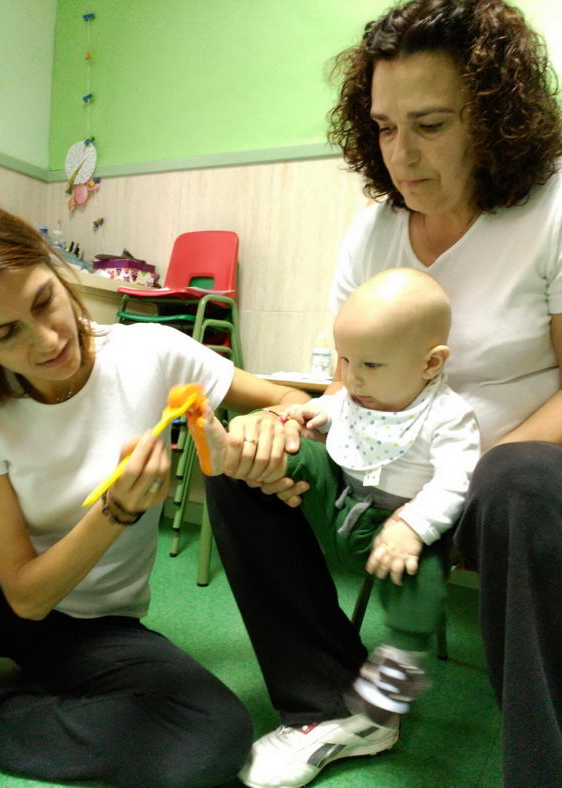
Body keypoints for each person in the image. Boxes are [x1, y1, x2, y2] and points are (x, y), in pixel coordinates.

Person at [204, 1, 562, 786]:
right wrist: (286, 423)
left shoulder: (551, 214)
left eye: (430, 125)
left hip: (503, 483)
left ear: (494, 117)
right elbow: (348, 388)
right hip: (379, 481)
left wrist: (464, 478)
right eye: (386, 127)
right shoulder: (373, 232)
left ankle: (542, 761)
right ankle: (337, 707)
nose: (402, 154)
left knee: (520, 483)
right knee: (241, 463)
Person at [0, 199, 310, 788]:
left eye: (44, 300)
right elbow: (23, 595)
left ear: (57, 270)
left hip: (92, 623)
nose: (49, 339)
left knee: (211, 732)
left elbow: (290, 401)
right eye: (6, 334)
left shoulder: (151, 353)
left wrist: (269, 426)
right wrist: (118, 510)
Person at [193, 268, 480, 731]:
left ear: (430, 364)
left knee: (422, 577)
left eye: (369, 365)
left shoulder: (450, 417)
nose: (353, 378)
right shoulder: (355, 390)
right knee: (297, 454)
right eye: (346, 361)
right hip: (341, 496)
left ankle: (400, 665)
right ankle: (231, 452)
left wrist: (414, 526)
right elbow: (329, 407)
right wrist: (302, 416)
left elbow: (457, 480)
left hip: (397, 523)